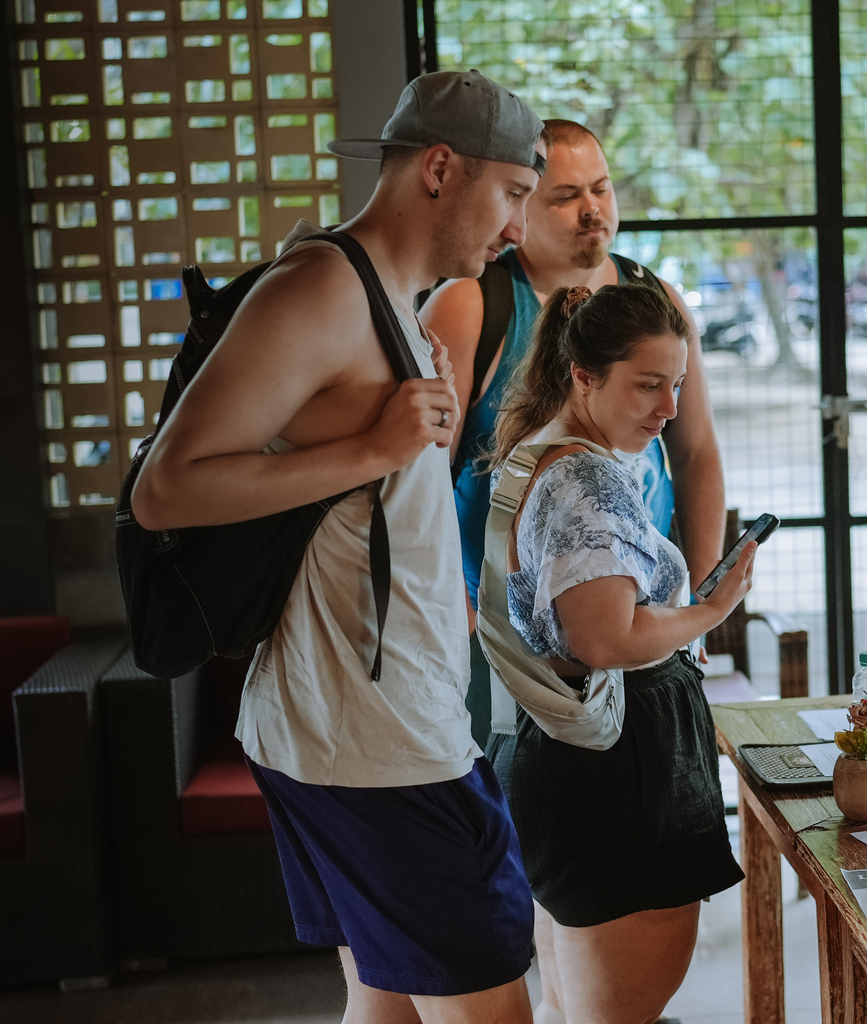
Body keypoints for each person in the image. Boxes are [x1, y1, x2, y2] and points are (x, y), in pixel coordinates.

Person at [130, 71, 546, 1020]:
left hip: (378, 724)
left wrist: (402, 453)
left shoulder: (395, 296)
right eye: (514, 193)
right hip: (372, 742)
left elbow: (368, 499)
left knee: (388, 1005)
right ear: (439, 169)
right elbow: (166, 489)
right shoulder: (321, 286)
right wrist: (372, 448)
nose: (519, 228)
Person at [487, 282, 749, 1024]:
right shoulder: (586, 477)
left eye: (677, 385)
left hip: (564, 753)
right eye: (647, 385)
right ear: (584, 375)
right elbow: (604, 638)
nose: (669, 408)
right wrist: (708, 612)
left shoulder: (538, 452)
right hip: (614, 775)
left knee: (572, 1004)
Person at [420, 119, 726, 748]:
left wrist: (697, 605)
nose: (592, 210)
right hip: (507, 633)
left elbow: (696, 453)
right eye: (565, 196)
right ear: (519, 203)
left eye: (601, 189)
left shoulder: (656, 301)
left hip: (640, 623)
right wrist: (456, 612)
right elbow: (419, 482)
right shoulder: (470, 303)